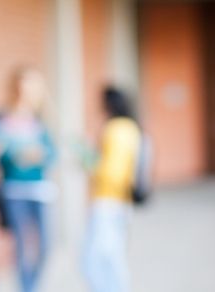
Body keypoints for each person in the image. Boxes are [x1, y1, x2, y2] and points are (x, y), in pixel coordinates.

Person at [0, 67, 58, 292]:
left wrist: (40, 155)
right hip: (14, 190)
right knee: (23, 247)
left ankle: (32, 286)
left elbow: (52, 153)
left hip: (40, 189)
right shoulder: (1, 119)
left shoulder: (40, 119)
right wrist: (2, 151)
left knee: (45, 247)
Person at [83, 87, 141, 292]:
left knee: (95, 261)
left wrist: (88, 161)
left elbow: (111, 172)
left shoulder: (114, 129)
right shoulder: (131, 127)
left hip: (107, 201)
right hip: (122, 202)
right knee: (113, 258)